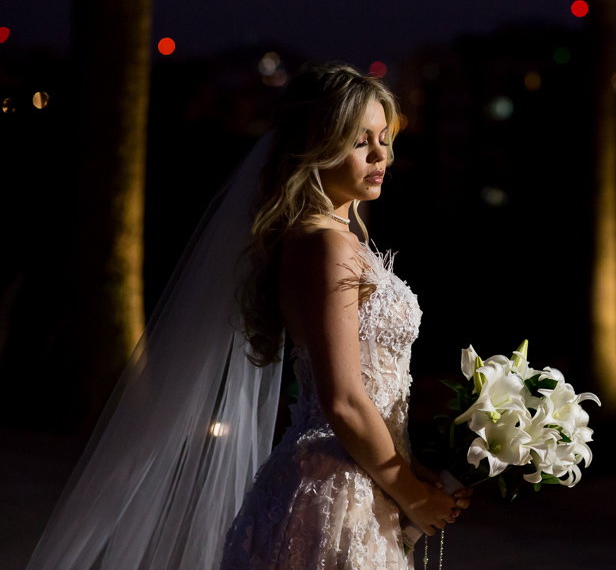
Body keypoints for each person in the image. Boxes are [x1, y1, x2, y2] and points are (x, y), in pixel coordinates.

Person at [25, 63, 468, 570]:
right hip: (336, 492)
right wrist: (409, 491)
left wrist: (415, 472)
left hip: (365, 478)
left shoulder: (332, 240)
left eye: (384, 138)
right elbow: (343, 399)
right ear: (317, 145)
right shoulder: (326, 246)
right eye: (359, 140)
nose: (380, 155)